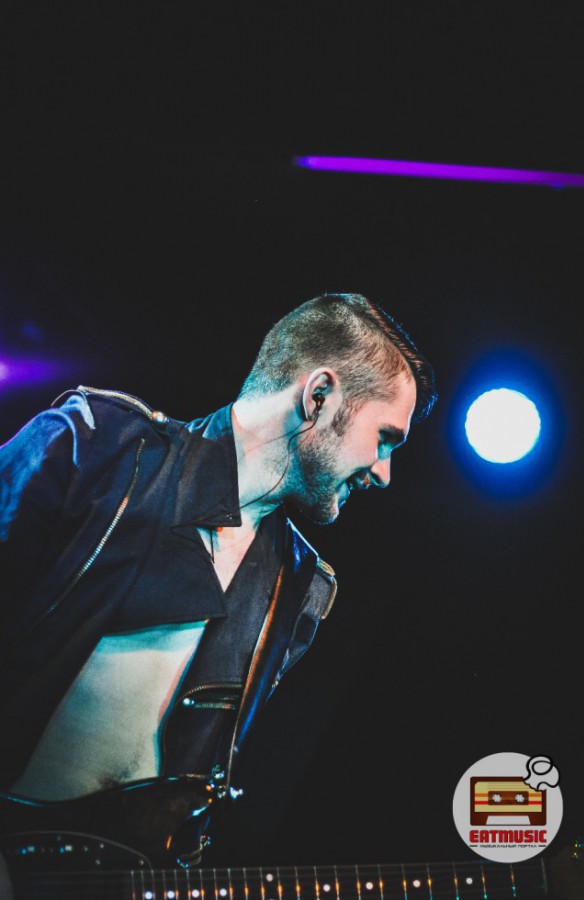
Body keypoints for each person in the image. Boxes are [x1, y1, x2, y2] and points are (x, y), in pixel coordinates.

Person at [0, 292, 437, 885]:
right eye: (385, 437)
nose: (384, 472)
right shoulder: (96, 444)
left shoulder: (300, 587)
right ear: (318, 396)